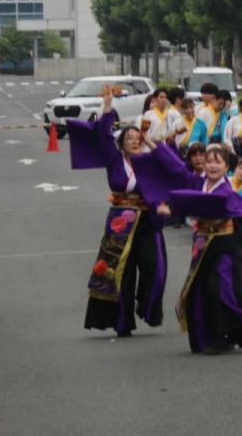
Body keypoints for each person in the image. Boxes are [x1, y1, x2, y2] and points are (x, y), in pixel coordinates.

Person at [67, 85, 168, 337]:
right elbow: (102, 135)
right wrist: (108, 106)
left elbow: (170, 164)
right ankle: (122, 322)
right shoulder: (114, 160)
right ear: (121, 144)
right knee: (118, 272)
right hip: (121, 222)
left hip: (147, 220)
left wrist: (150, 141)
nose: (134, 140)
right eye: (129, 138)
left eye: (137, 138)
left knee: (153, 267)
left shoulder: (149, 161)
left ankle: (145, 305)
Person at [159, 176, 242, 354]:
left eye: (217, 161)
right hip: (202, 243)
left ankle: (221, 336)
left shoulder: (224, 189)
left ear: (225, 167)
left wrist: (179, 209)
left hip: (225, 244)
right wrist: (173, 208)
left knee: (218, 289)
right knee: (199, 290)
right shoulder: (198, 182)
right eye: (209, 161)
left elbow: (211, 205)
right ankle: (208, 336)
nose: (211, 165)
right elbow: (179, 179)